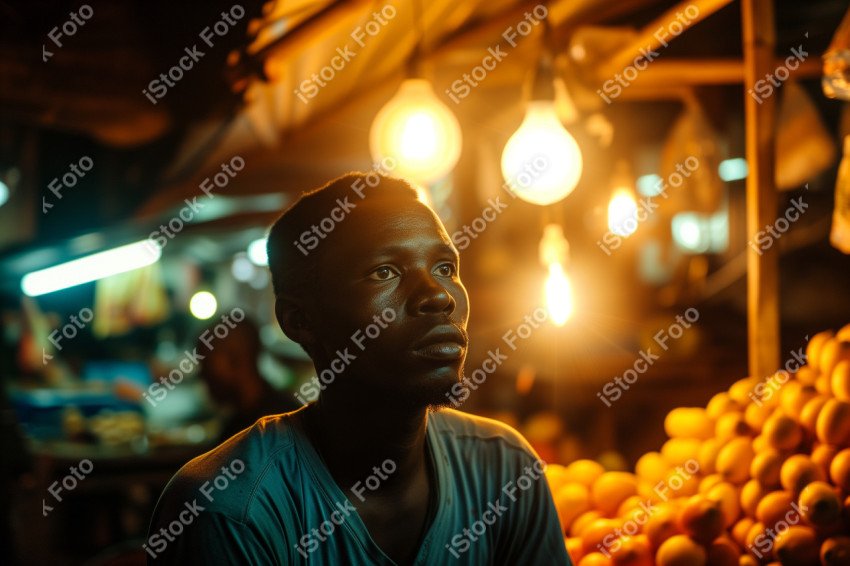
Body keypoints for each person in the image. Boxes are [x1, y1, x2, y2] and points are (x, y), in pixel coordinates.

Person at [147, 173, 571, 565]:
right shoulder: (228, 508)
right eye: (384, 272)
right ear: (300, 321)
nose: (438, 296)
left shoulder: (504, 470)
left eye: (445, 268)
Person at [196, 315, 298, 440]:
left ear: (236, 360)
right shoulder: (284, 416)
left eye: (206, 363)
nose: (201, 375)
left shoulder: (276, 428)